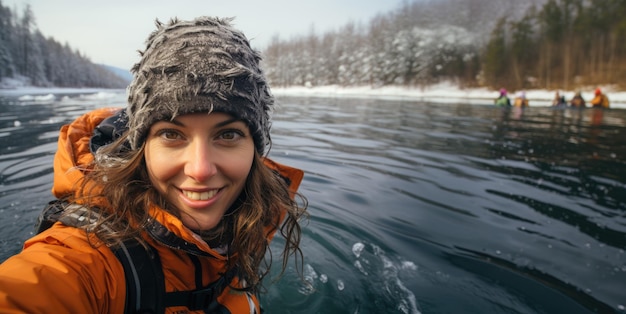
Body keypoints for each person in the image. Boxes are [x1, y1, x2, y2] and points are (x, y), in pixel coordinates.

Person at [0, 16, 307, 313]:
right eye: (171, 134)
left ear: (255, 147)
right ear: (141, 148)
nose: (200, 169)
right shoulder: (89, 259)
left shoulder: (250, 216)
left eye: (228, 134)